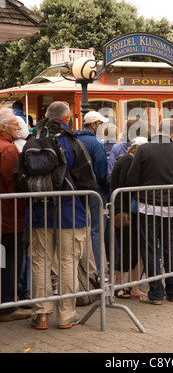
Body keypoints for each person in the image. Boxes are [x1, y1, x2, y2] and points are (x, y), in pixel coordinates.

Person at [28, 102, 98, 330]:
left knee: (40, 261)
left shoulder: (32, 141)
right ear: (67, 118)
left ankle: (41, 315)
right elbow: (88, 179)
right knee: (68, 261)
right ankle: (67, 315)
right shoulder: (72, 142)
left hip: (39, 211)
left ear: (46, 117)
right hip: (70, 212)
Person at [127, 118, 173, 305]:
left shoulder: (145, 149)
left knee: (150, 249)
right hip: (171, 205)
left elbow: (132, 177)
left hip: (147, 204)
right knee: (170, 248)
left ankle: (156, 293)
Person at [0, 108, 30, 322]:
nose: (19, 126)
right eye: (14, 123)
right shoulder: (9, 150)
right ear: (3, 127)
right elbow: (14, 185)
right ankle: (7, 307)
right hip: (9, 216)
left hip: (6, 215)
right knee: (9, 260)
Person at [111, 138, 148, 299]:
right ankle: (119, 285)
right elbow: (127, 185)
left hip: (125, 210)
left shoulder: (125, 159)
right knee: (128, 249)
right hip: (124, 211)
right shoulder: (128, 161)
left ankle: (131, 286)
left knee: (132, 249)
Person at [73, 110, 109, 278]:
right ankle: (97, 272)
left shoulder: (72, 139)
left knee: (76, 231)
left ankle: (79, 271)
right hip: (94, 192)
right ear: (94, 125)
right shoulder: (96, 143)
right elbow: (102, 171)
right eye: (100, 124)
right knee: (95, 231)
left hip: (74, 191)